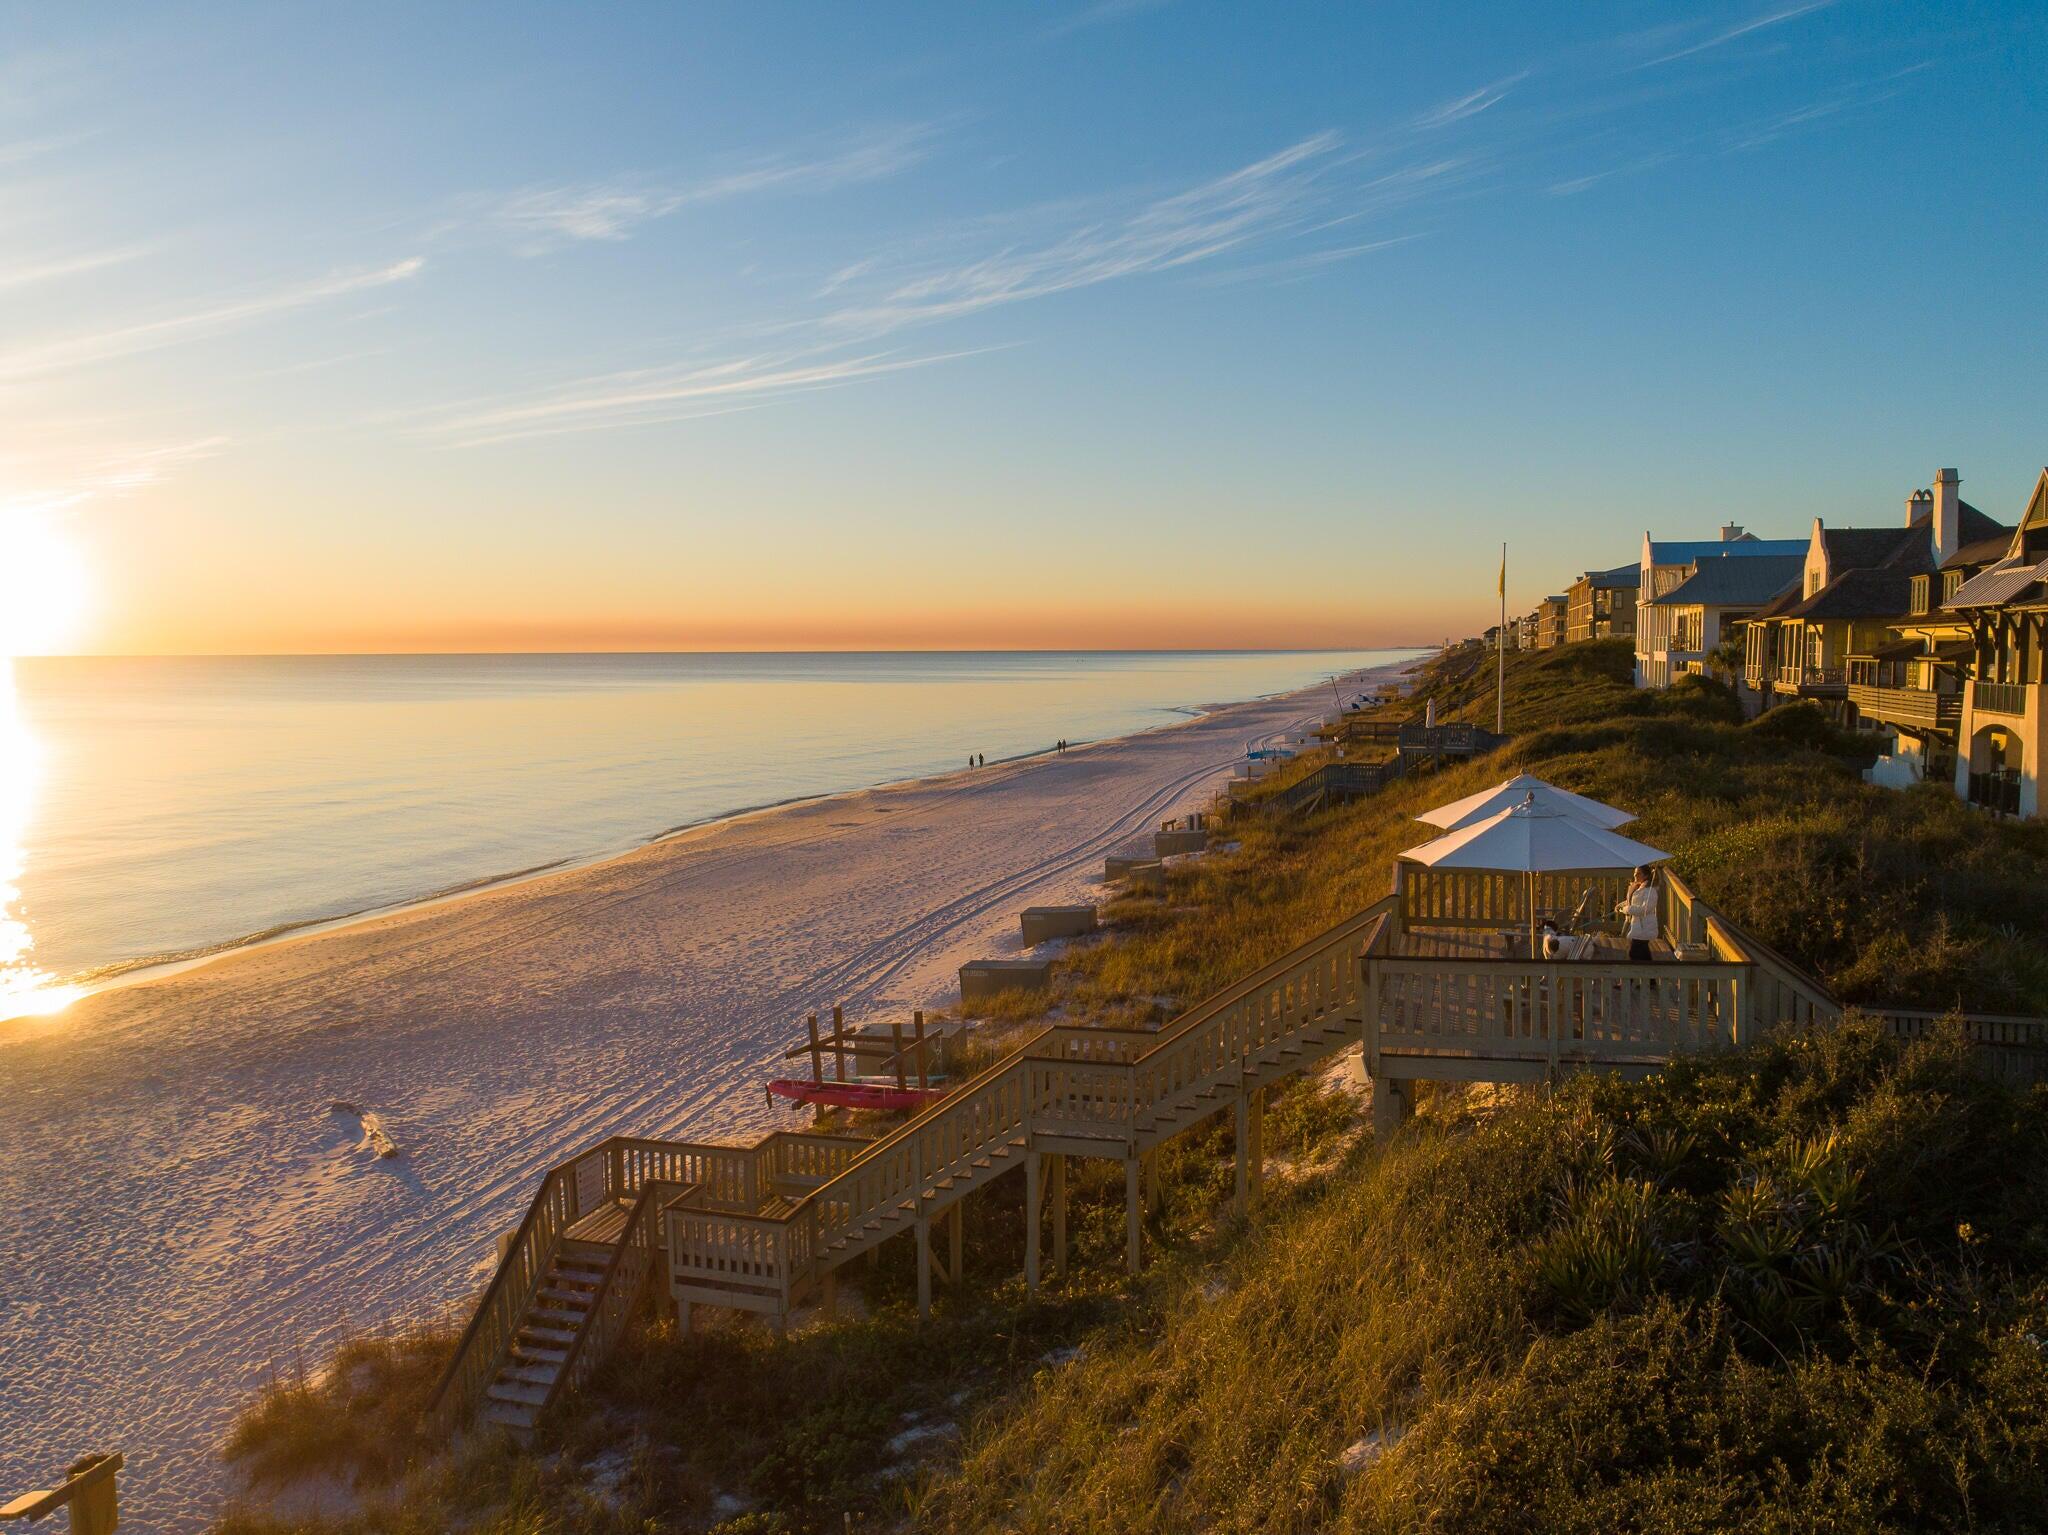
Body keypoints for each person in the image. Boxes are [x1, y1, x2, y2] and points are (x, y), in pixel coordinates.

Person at [1618, 865, 1659, 962]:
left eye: (1638, 873)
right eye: (1635, 872)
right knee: (1640, 955)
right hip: (1637, 927)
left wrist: (1626, 909)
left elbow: (1644, 910)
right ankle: (1646, 976)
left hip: (1644, 928)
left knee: (1636, 954)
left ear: (1646, 876)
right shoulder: (1638, 887)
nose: (1635, 875)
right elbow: (1634, 902)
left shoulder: (1650, 890)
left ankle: (1641, 976)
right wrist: (1621, 905)